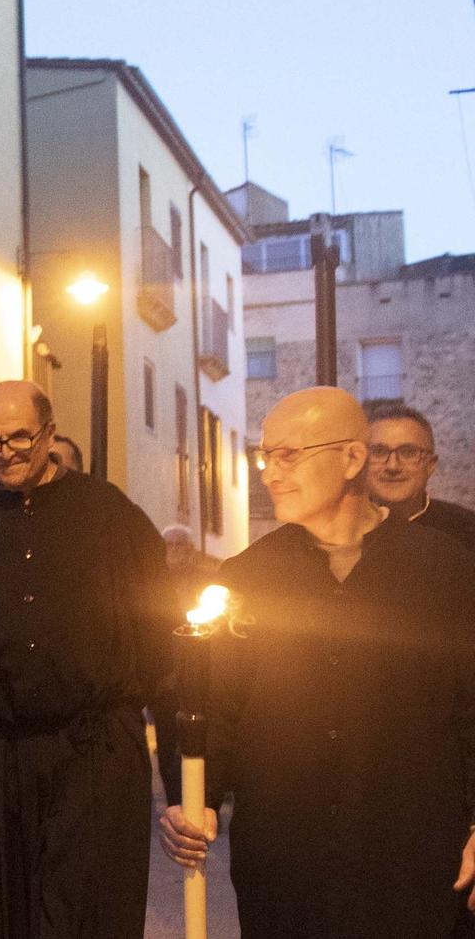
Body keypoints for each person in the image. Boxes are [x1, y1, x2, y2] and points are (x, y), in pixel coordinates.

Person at [160, 386, 475, 938]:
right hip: (287, 871)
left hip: (414, 865)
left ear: (352, 458)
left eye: (288, 455)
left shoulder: (445, 572)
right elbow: (211, 710)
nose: (268, 473)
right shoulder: (247, 578)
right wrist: (196, 801)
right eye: (264, 456)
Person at [0, 380, 173, 939]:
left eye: (20, 436)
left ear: (47, 432)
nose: (6, 451)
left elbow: (158, 622)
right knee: (9, 909)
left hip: (94, 745)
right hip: (1, 749)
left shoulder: (110, 514)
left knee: (90, 909)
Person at [153, 524, 221, 800]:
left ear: (191, 550)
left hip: (199, 677)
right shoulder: (155, 584)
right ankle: (175, 800)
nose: (174, 551)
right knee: (168, 743)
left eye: (180, 545)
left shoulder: (206, 581)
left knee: (198, 740)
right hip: (165, 681)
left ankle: (201, 797)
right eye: (168, 545)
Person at [364, 399, 475, 555]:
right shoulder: (341, 533)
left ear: (430, 465)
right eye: (379, 452)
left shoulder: (467, 530)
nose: (392, 466)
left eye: (408, 453)